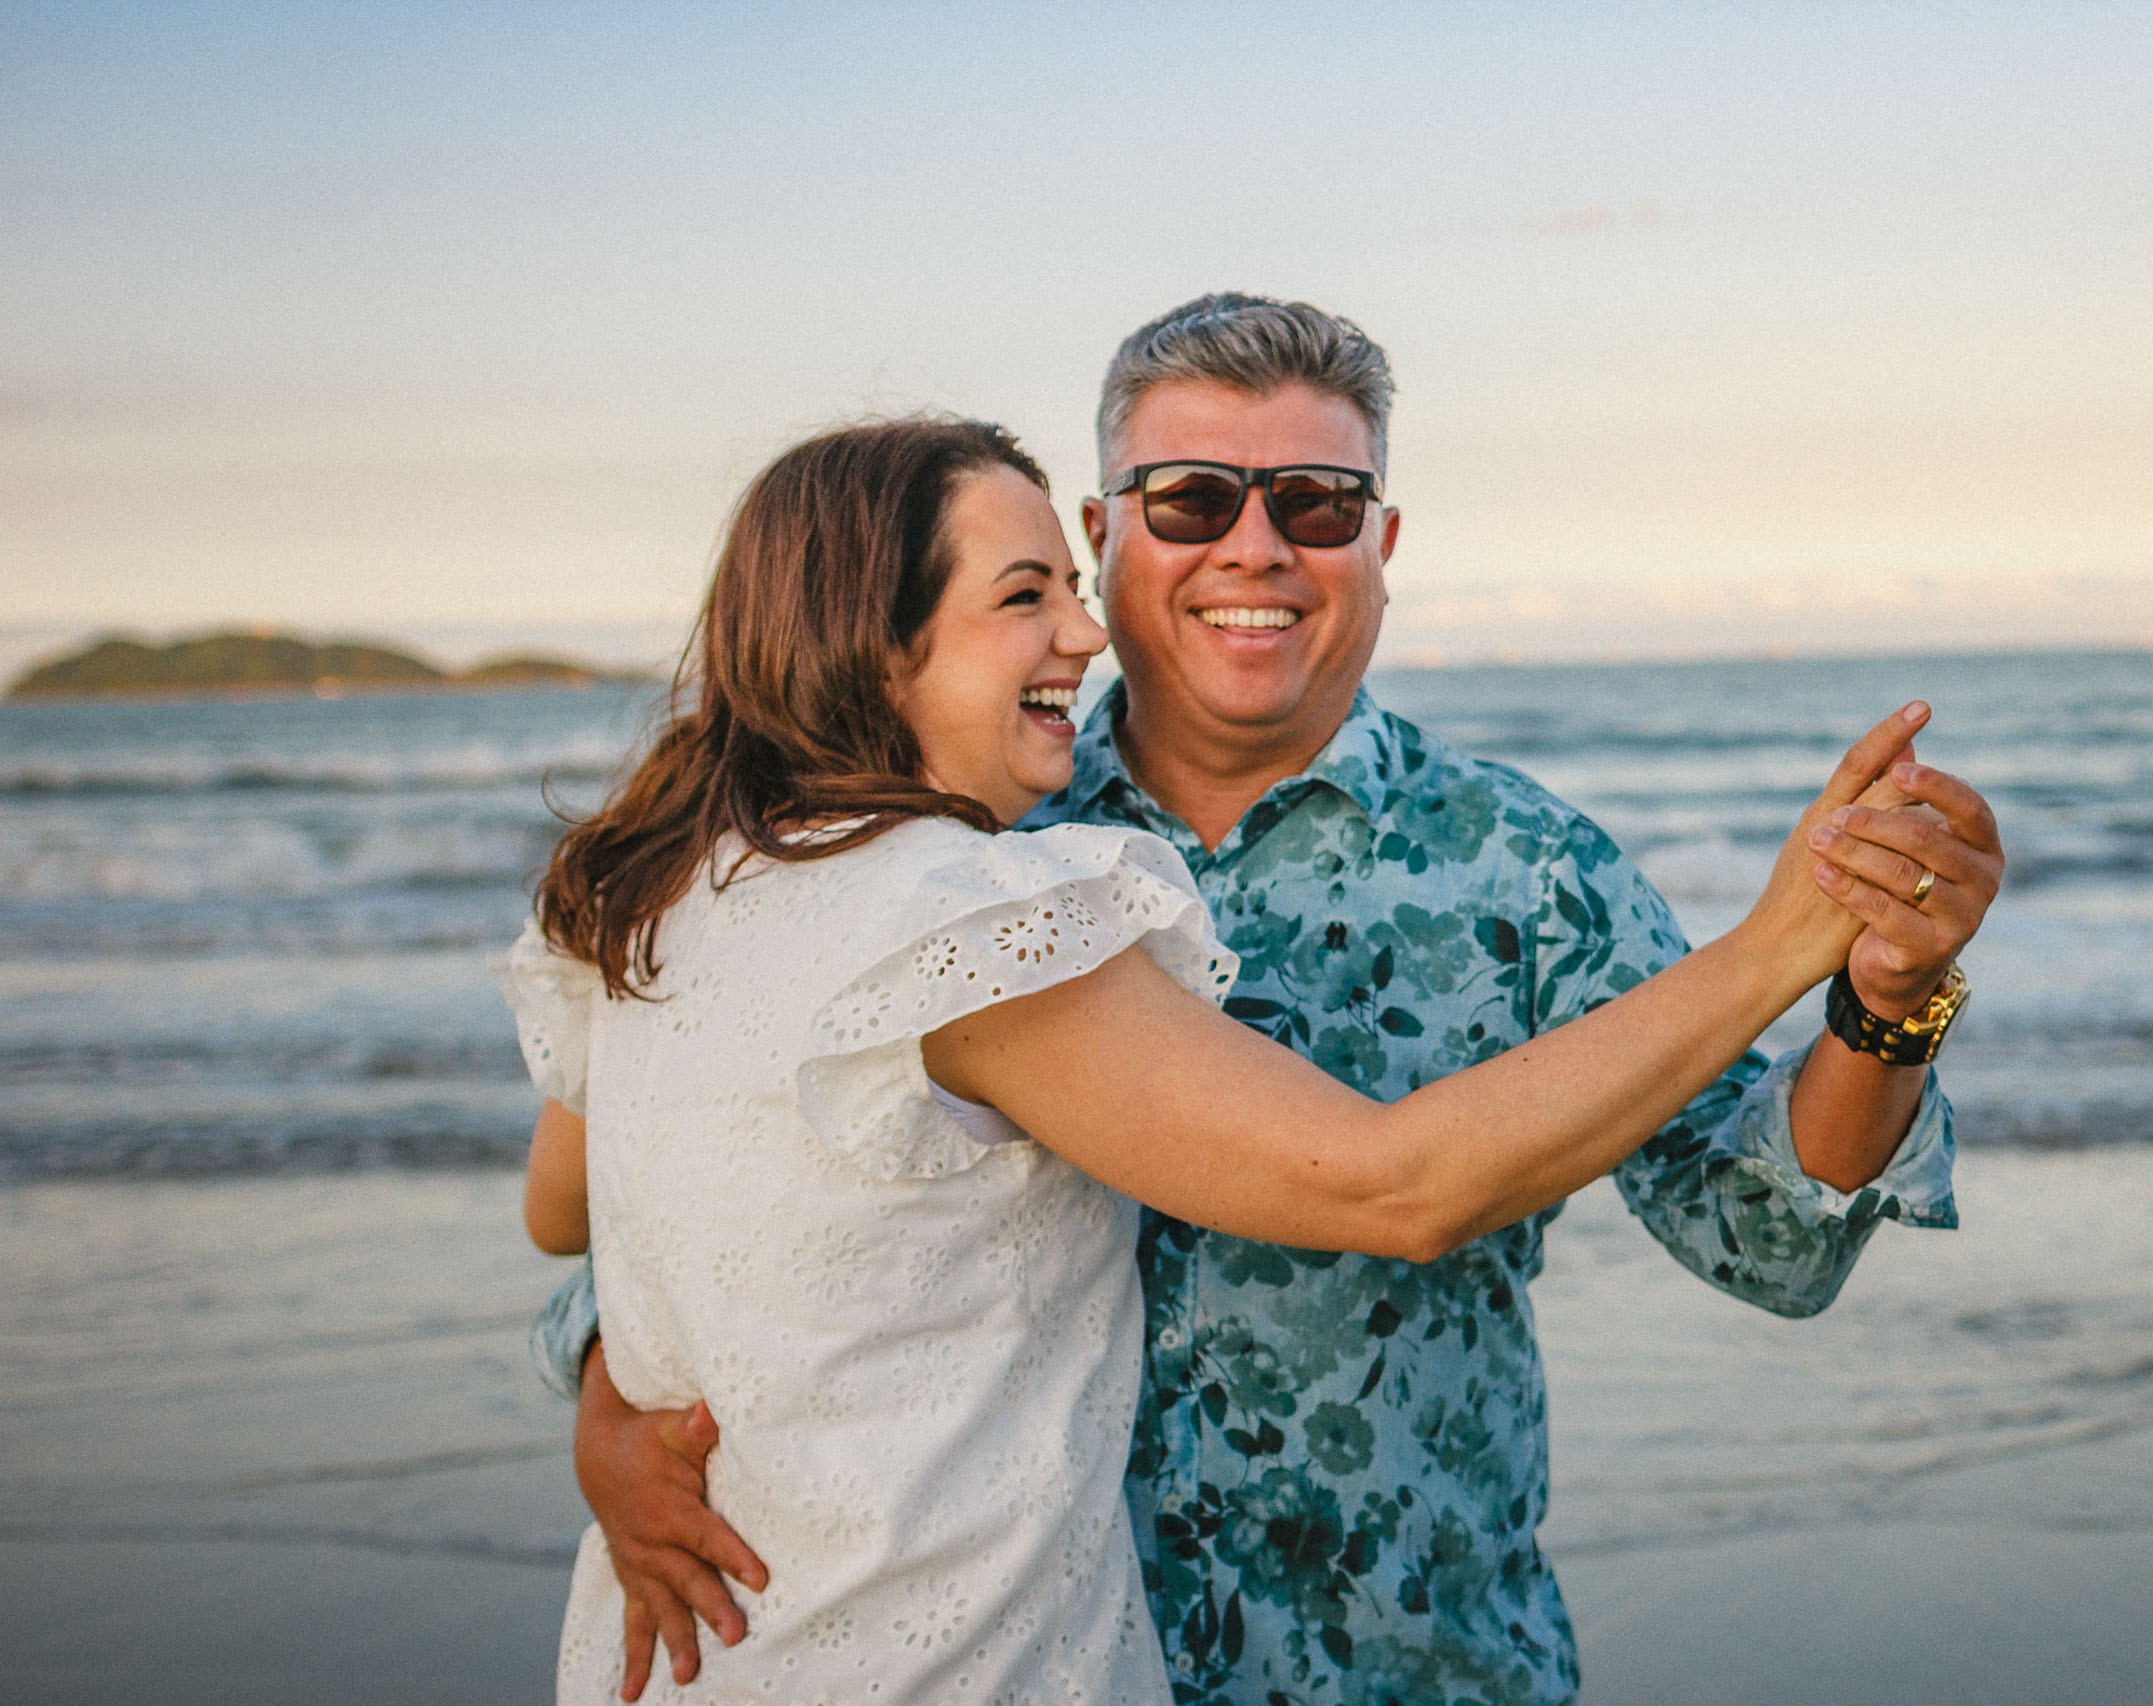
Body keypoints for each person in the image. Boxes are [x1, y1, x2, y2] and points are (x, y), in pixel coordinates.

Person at [542, 296, 2004, 1705]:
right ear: (1103, 537)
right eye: (1191, 499)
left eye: (1314, 502)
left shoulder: (1527, 865)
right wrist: (613, 1385)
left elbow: (1766, 1240)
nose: (1258, 545)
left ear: (1381, 542)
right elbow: (742, 1188)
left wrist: (1882, 1000)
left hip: (1409, 1668)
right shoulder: (969, 846)